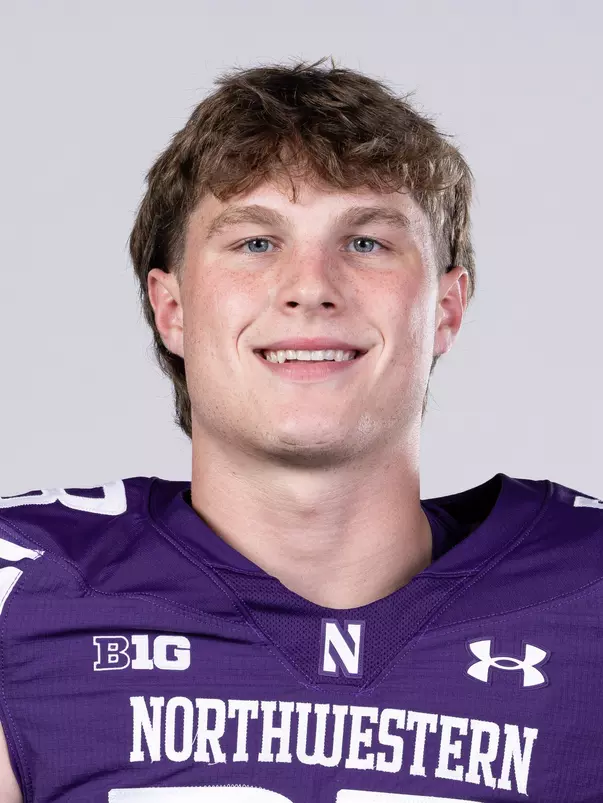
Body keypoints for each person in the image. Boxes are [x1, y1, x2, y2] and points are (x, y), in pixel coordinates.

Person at [0, 56, 602, 803]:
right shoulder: (26, 590)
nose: (310, 286)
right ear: (172, 307)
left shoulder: (588, 593)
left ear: (445, 307)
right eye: (255, 242)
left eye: (366, 242)